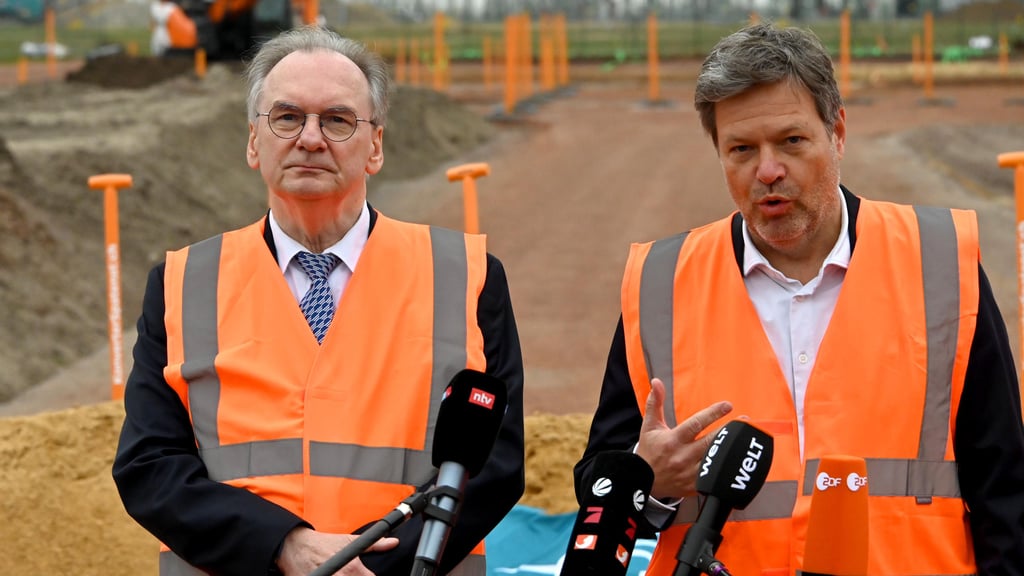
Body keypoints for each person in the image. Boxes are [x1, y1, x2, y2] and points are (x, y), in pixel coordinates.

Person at [574, 21, 1024, 576]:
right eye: (741, 149)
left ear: (836, 131)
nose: (768, 170)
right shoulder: (662, 283)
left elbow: (1005, 485)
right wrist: (651, 485)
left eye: (791, 140)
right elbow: (598, 483)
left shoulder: (940, 265)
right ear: (718, 151)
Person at [113, 25, 525, 576]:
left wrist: (370, 566)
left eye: (337, 119)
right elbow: (150, 465)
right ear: (254, 142)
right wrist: (282, 546)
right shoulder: (180, 284)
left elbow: (496, 463)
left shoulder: (467, 278)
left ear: (375, 145)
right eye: (287, 117)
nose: (310, 138)